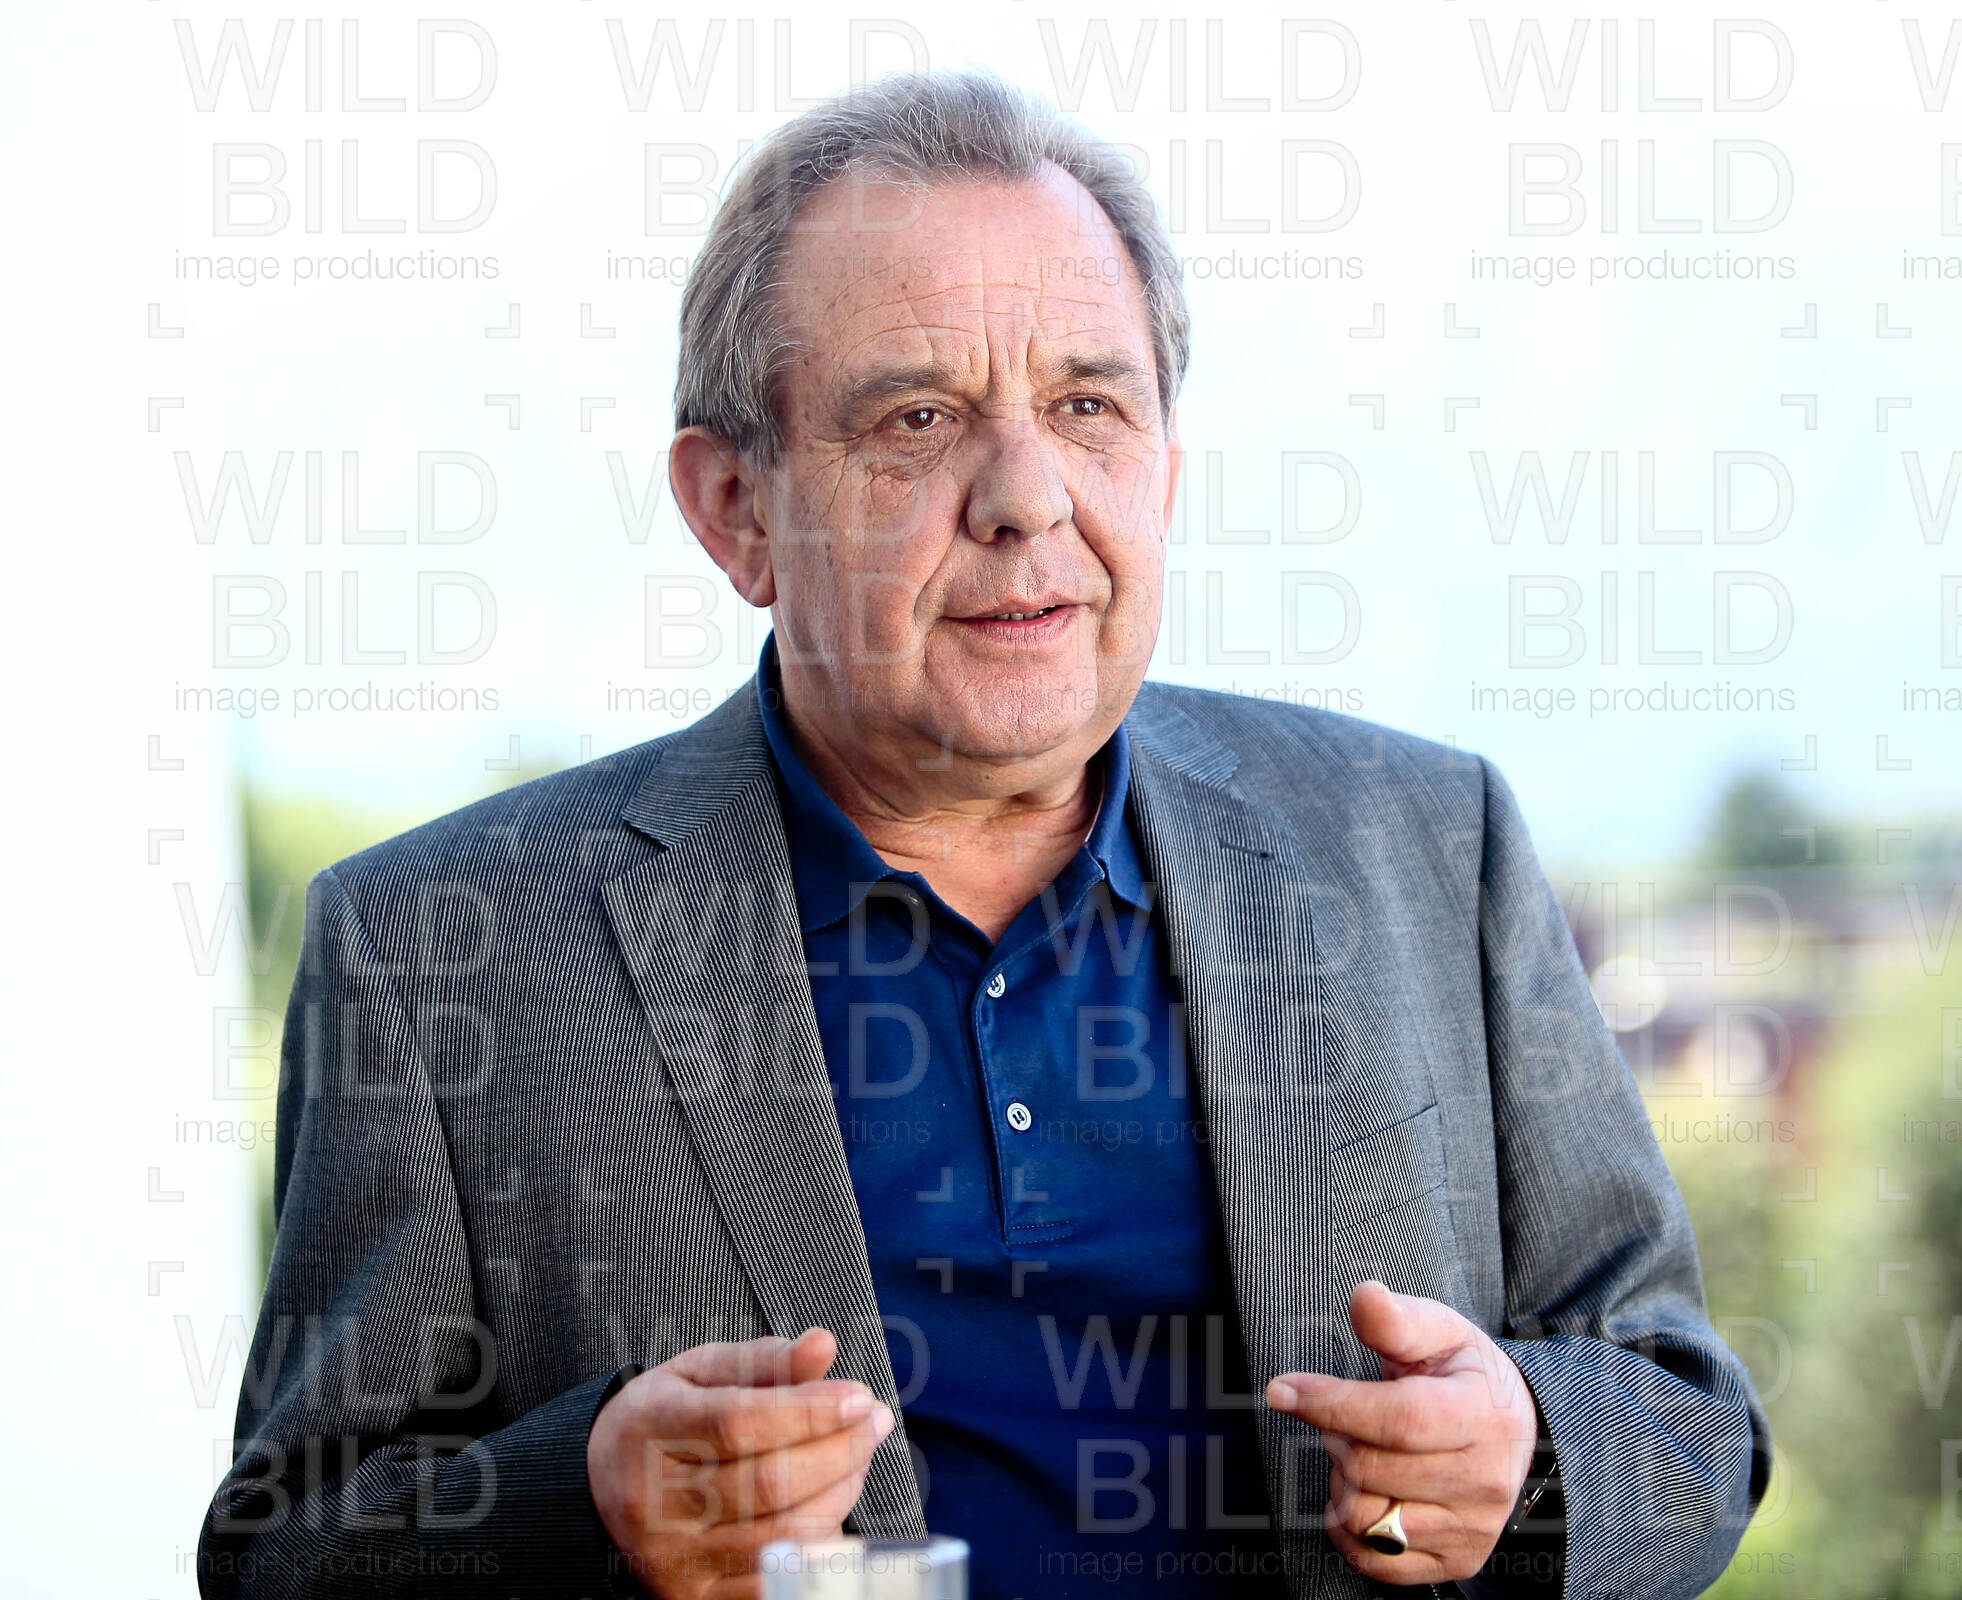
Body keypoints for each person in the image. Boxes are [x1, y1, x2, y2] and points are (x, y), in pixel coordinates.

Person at [199, 69, 1768, 1600]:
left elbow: (1690, 1417)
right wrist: (588, 1499)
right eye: (917, 417)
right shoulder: (437, 949)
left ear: (1165, 466)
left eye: (1090, 405)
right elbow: (282, 1547)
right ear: (735, 508)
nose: (1027, 495)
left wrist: (1531, 1456)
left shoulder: (1428, 844)